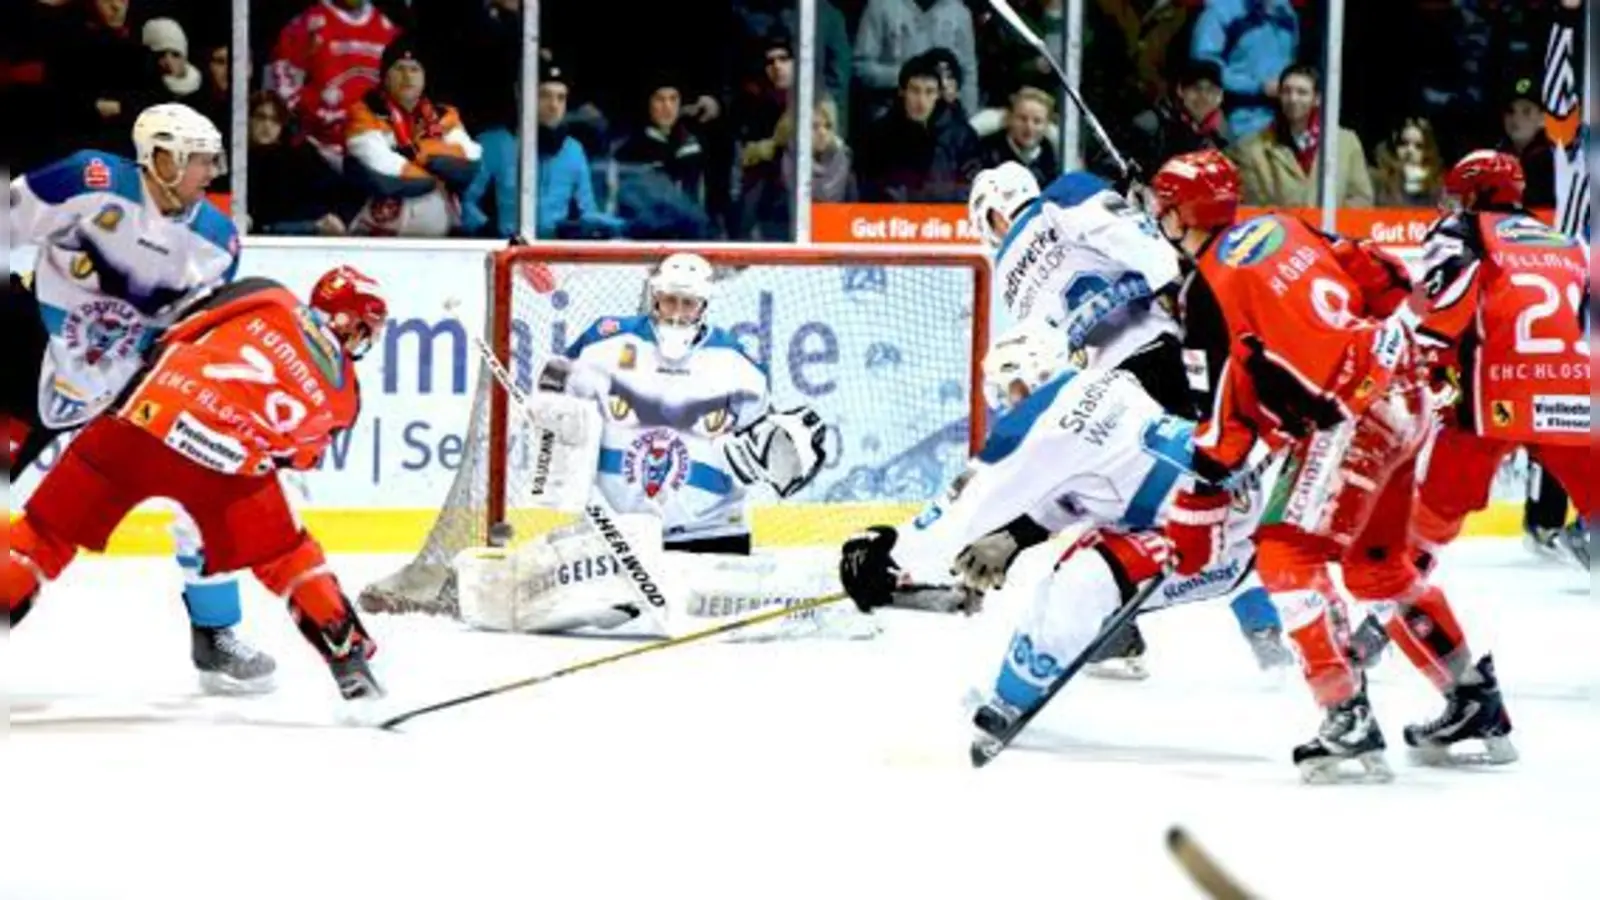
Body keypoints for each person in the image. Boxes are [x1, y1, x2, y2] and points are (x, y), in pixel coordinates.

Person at [1148, 149, 1515, 782]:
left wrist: (1192, 517)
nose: (1159, 218)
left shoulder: (1204, 290)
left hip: (1352, 416)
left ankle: (1346, 714)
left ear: (1182, 214)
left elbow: (1221, 433)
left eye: (1163, 208)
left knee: (1286, 556)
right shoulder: (1285, 226)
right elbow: (1386, 277)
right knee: (1376, 570)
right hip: (1404, 386)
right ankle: (1472, 698)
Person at [838, 322, 1272, 748]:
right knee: (1066, 571)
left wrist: (890, 544)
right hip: (1225, 503)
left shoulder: (1048, 425)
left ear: (1026, 378)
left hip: (1212, 532)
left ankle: (1012, 698)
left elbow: (965, 503)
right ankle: (1018, 684)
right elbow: (1085, 490)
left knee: (1081, 581)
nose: (1005, 403)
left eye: (1006, 390)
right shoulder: (1105, 382)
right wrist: (1010, 541)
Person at [3, 268, 389, 700]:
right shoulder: (345, 397)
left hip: (144, 417)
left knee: (43, 537)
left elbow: (180, 330)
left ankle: (214, 636)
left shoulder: (267, 293)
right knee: (288, 556)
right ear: (353, 325)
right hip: (226, 464)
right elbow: (297, 456)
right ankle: (349, 659)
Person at [967, 162, 1292, 674]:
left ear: (989, 216)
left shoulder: (1010, 277)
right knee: (1209, 484)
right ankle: (1261, 620)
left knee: (1116, 494)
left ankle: (1116, 621)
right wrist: (1167, 258)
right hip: (1165, 352)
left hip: (1106, 388)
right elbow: (1137, 240)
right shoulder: (1068, 192)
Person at [4, 102, 277, 693]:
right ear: (160, 157)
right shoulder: (87, 179)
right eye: (199, 159)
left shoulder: (217, 240)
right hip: (46, 349)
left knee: (206, 478)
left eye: (212, 159)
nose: (211, 171)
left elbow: (196, 328)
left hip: (136, 378)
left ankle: (215, 631)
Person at [459, 252, 837, 639]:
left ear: (704, 304)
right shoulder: (606, 340)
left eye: (687, 303)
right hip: (618, 534)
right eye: (669, 300)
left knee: (716, 646)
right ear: (654, 296)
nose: (676, 312)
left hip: (709, 534)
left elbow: (759, 444)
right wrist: (550, 405)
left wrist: (777, 457)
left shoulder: (738, 366)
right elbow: (557, 374)